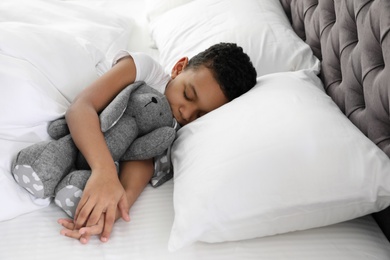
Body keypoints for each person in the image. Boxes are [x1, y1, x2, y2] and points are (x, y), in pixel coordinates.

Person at [57, 42, 257, 244]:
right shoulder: (147, 71)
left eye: (200, 115)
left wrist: (110, 212)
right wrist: (104, 171)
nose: (186, 113)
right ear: (179, 68)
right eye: (187, 95)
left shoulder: (174, 131)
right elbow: (80, 108)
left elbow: (140, 159)